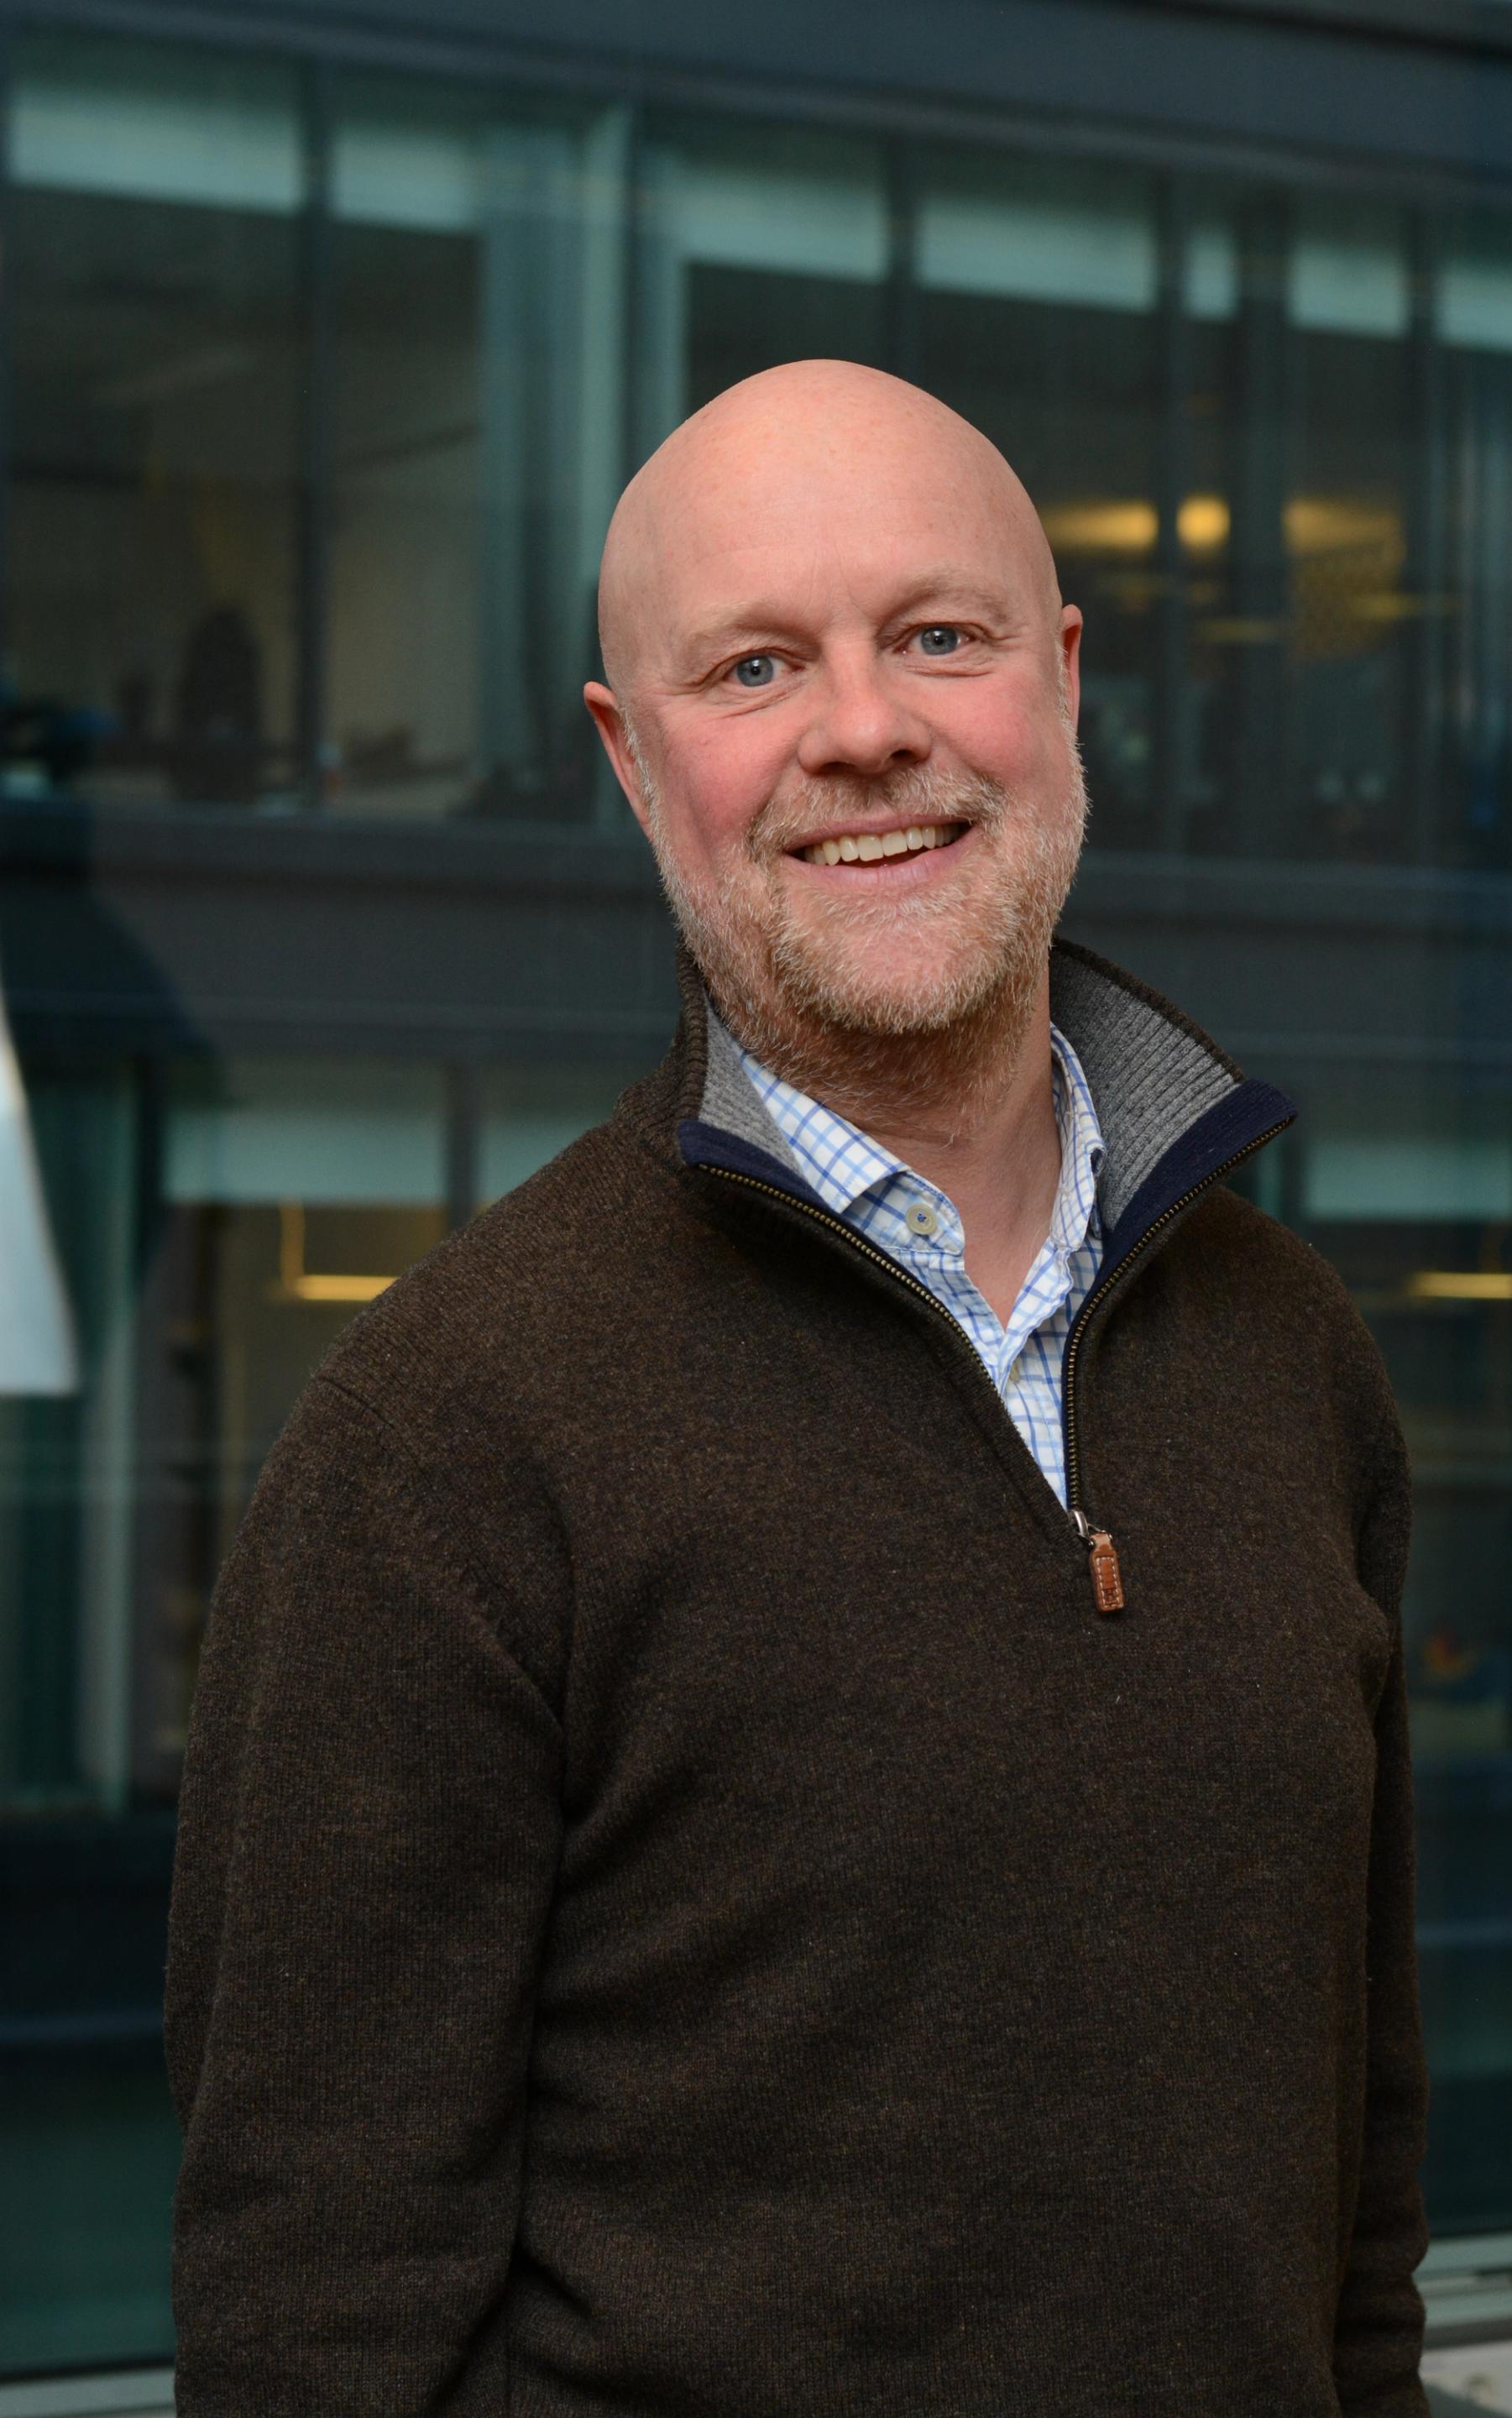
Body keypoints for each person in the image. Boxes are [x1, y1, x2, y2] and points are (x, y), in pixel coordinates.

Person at [165, 360, 1429, 2415]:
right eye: (756, 667)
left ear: (1066, 680)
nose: (865, 728)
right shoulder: (443, 1440)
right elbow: (319, 2324)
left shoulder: (1299, 1364)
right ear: (632, 763)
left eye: (940, 636)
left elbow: (1356, 2235)